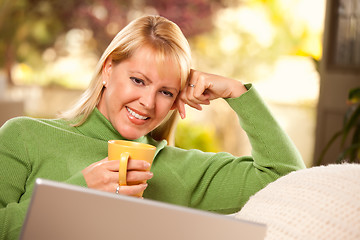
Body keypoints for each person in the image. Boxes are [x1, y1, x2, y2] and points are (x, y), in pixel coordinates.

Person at [0, 15, 305, 239]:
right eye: (138, 80)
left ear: (176, 101)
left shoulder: (179, 170)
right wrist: (79, 192)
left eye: (165, 91)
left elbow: (286, 176)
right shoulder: (25, 136)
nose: (147, 102)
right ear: (108, 69)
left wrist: (236, 92)